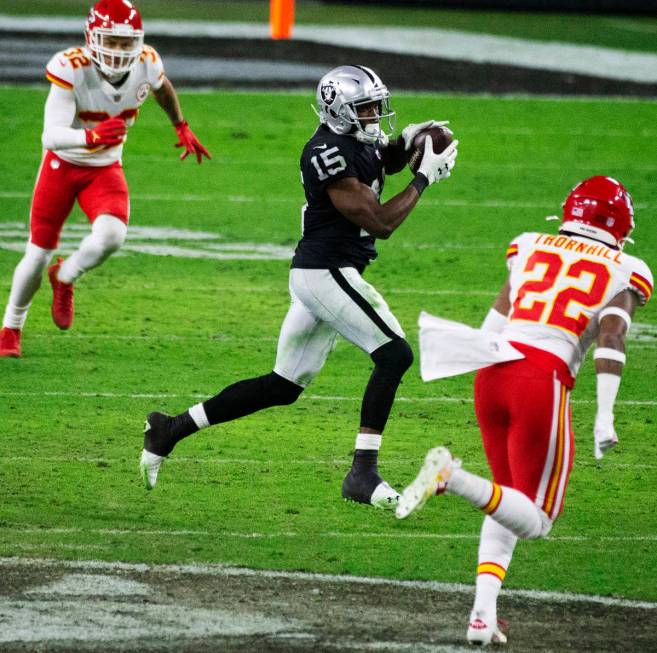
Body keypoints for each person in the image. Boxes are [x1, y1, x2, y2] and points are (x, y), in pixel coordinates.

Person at [140, 64, 459, 509]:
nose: (374, 117)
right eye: (365, 109)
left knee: (282, 386)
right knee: (394, 354)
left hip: (327, 272)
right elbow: (380, 222)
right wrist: (423, 178)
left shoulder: (353, 141)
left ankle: (169, 429)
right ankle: (362, 474)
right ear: (340, 112)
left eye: (375, 107)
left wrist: (407, 144)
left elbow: (379, 160)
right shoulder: (325, 151)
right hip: (325, 271)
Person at [395, 176, 653, 645]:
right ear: (619, 225)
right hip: (541, 378)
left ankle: (481, 614)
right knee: (537, 519)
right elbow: (612, 336)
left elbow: (494, 321)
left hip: (492, 371)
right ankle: (451, 477)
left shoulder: (531, 244)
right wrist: (604, 416)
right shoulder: (627, 267)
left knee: (506, 500)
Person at [0, 0, 209, 358]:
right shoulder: (72, 67)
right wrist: (92, 137)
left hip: (105, 167)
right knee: (37, 253)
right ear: (92, 37)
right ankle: (10, 328)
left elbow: (162, 88)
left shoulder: (147, 62)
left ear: (138, 42)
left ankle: (66, 276)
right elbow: (51, 136)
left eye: (126, 43)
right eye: (110, 41)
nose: (118, 50)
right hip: (62, 166)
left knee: (113, 235)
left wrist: (180, 124)